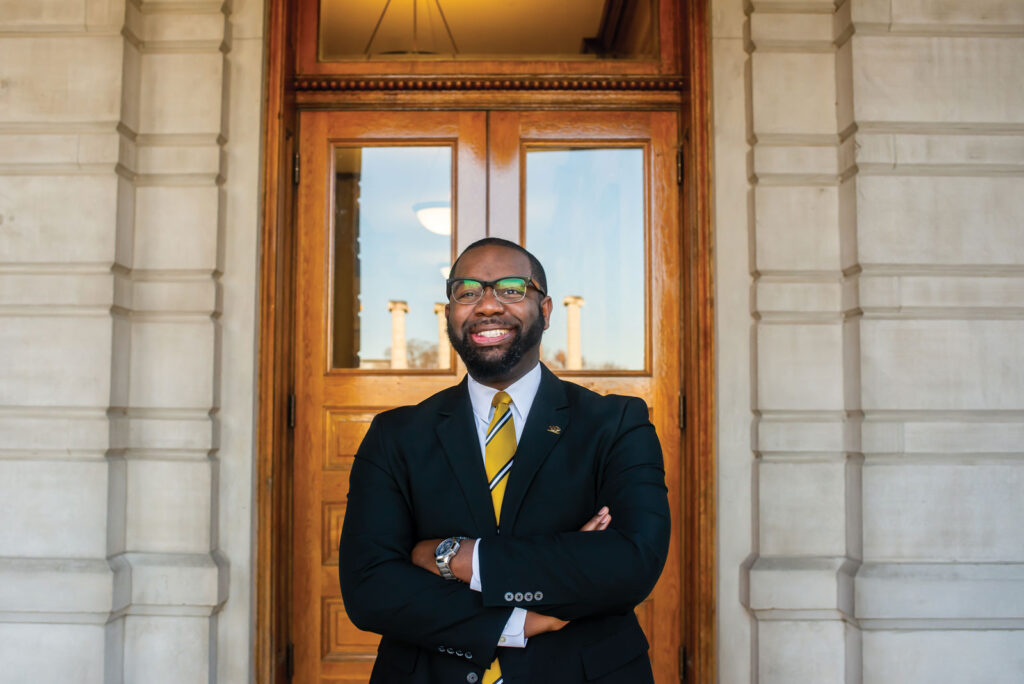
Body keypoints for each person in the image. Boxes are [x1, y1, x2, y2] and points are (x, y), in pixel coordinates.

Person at [339, 237, 670, 683]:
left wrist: (453, 557)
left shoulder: (615, 424)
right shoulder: (395, 435)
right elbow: (370, 588)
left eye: (512, 289)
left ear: (546, 309)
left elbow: (632, 563)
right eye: (467, 291)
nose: (488, 306)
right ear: (449, 314)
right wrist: (519, 620)